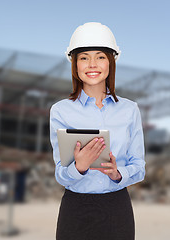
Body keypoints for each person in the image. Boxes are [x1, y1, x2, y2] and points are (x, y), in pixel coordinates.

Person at [49, 22, 146, 240]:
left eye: (100, 56)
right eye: (84, 57)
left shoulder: (130, 110)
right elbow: (60, 174)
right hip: (76, 210)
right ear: (75, 65)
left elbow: (139, 166)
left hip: (117, 209)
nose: (92, 64)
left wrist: (118, 174)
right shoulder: (60, 111)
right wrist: (79, 168)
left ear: (111, 62)